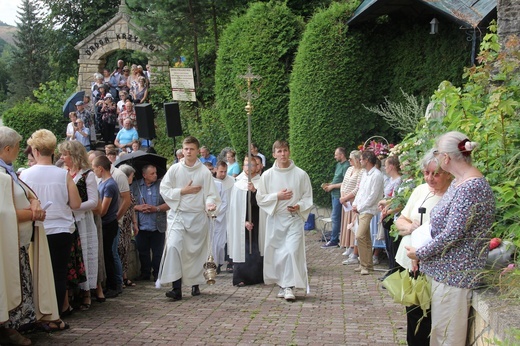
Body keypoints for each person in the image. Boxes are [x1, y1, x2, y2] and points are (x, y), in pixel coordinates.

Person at [406, 131, 495, 346]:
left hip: (455, 276)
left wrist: (420, 252)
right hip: (446, 273)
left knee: (447, 338)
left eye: (437, 154)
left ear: (446, 158)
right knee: (439, 335)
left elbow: (453, 233)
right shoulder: (460, 182)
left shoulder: (471, 187)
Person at [0, 126, 64, 345]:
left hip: (19, 243)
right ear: (6, 148)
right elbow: (3, 212)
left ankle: (14, 327)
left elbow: (26, 192)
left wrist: (35, 202)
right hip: (6, 245)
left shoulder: (8, 171)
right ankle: (7, 330)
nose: (20, 152)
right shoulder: (1, 175)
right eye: (17, 148)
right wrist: (32, 212)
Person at [20, 129, 82, 317]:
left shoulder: (25, 175)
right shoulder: (63, 175)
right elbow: (76, 203)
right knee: (58, 272)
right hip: (62, 229)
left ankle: (39, 313)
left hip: (37, 230)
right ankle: (56, 313)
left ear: (35, 151)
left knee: (35, 273)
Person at [393, 150, 453, 346]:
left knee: (436, 316)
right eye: (426, 173)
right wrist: (410, 227)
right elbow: (401, 220)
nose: (430, 178)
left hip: (436, 265)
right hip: (411, 263)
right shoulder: (420, 190)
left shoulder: (453, 195)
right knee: (415, 314)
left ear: (448, 173)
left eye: (436, 173)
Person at [157, 136, 220, 301]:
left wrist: (210, 204)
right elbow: (164, 189)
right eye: (186, 149)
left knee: (194, 253)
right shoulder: (175, 169)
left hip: (197, 217)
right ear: (182, 150)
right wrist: (182, 191)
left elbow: (211, 194)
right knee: (174, 247)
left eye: (192, 149)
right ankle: (176, 288)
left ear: (198, 151)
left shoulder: (204, 172)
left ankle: (195, 284)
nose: (188, 152)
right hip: (178, 215)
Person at [256, 140, 313, 301]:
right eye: (279, 151)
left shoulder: (301, 174)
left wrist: (299, 205)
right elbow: (260, 198)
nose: (283, 154)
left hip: (293, 219)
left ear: (289, 152)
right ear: (274, 154)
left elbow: (307, 197)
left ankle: (289, 286)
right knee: (278, 254)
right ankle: (283, 284)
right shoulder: (267, 175)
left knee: (291, 251)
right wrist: (277, 196)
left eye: (285, 150)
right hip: (276, 219)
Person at [58, 140, 99, 311]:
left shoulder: (87, 174)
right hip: (68, 220)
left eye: (65, 154)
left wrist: (75, 207)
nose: (62, 157)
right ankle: (73, 293)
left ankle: (87, 293)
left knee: (86, 254)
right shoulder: (62, 172)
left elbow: (94, 202)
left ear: (73, 155)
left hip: (83, 220)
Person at [228, 156, 265, 287]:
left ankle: (256, 276)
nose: (249, 168)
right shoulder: (237, 184)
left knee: (256, 246)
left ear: (257, 167)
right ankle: (240, 277)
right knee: (242, 247)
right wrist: (243, 222)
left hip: (258, 220)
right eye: (246, 165)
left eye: (252, 165)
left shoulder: (262, 182)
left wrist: (255, 191)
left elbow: (263, 204)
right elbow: (234, 208)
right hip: (241, 222)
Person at [131, 165, 168, 282]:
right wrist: (138, 207)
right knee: (142, 251)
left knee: (158, 252)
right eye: (152, 173)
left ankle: (157, 273)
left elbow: (169, 203)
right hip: (141, 225)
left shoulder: (162, 186)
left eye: (156, 173)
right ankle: (145, 272)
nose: (155, 175)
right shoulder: (135, 186)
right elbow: (128, 204)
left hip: (157, 225)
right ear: (144, 175)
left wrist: (155, 208)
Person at [91, 155, 120, 298]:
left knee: (108, 255)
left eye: (94, 169)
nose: (94, 171)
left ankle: (113, 285)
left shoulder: (109, 185)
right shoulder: (104, 183)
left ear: (100, 169)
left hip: (108, 224)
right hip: (107, 223)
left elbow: (103, 210)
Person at [351, 150, 384, 275]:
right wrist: (355, 204)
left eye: (361, 159)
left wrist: (360, 207)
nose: (360, 161)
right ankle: (366, 265)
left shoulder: (377, 175)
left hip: (368, 209)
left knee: (359, 235)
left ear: (367, 160)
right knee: (365, 237)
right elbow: (361, 191)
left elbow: (373, 196)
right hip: (361, 208)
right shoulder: (365, 173)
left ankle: (365, 265)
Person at [376, 155, 402, 271]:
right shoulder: (391, 180)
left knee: (392, 245)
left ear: (391, 166)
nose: (385, 168)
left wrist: (383, 202)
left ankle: (394, 269)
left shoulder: (398, 181)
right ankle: (391, 268)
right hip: (386, 211)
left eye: (386, 166)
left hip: (392, 214)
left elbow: (396, 199)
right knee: (388, 244)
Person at [339, 150, 364, 264]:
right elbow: (343, 183)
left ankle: (353, 246)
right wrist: (342, 196)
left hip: (353, 201)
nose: (349, 161)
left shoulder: (361, 171)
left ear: (357, 160)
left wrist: (347, 197)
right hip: (345, 201)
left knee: (353, 224)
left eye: (351, 159)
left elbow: (357, 188)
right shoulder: (349, 169)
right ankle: (348, 245)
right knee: (346, 223)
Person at [321, 147, 349, 248]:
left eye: (336, 155)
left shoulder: (346, 166)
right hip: (334, 194)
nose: (335, 156)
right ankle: (335, 238)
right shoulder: (338, 165)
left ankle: (334, 240)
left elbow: (346, 183)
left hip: (339, 196)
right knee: (335, 218)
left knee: (336, 218)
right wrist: (330, 184)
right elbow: (337, 179)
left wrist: (332, 186)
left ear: (341, 155)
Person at [118, 164, 139, 287]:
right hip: (121, 223)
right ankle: (120, 277)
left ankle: (125, 276)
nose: (133, 177)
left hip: (127, 225)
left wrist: (135, 224)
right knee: (120, 249)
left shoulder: (128, 189)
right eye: (132, 175)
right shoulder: (120, 189)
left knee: (125, 250)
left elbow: (132, 209)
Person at [212, 161, 234, 273]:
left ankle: (225, 262)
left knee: (224, 242)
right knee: (214, 242)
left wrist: (217, 214)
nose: (223, 174)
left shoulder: (231, 181)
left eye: (225, 171)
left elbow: (225, 202)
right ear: (216, 170)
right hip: (213, 217)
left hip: (227, 214)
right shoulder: (211, 182)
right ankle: (215, 264)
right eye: (221, 171)